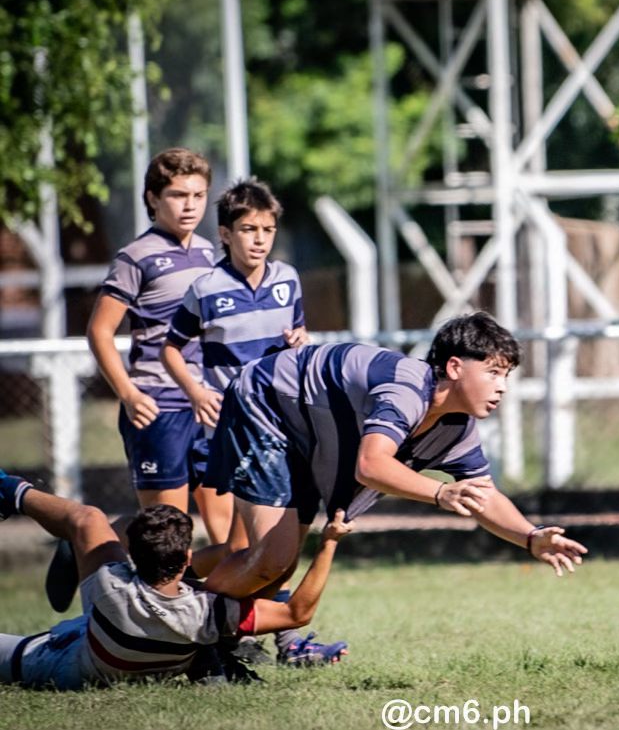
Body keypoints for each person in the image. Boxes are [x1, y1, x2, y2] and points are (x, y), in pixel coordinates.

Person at [203, 311, 588, 604]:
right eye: (493, 373)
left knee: (277, 564)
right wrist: (440, 494)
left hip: (305, 431)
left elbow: (483, 494)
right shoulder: (406, 390)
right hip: (265, 402)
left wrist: (530, 536)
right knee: (272, 559)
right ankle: (181, 620)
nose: (502, 387)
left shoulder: (456, 427)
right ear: (454, 367)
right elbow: (371, 465)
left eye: (506, 376)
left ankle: (193, 618)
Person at [0, 470, 350, 691]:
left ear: (131, 556)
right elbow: (296, 614)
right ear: (187, 558)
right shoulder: (207, 613)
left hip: (74, 658)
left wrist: (83, 542)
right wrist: (328, 543)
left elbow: (83, 520)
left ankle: (8, 488)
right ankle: (215, 668)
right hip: (112, 642)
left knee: (88, 519)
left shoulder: (111, 583)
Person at [161, 176, 310, 665]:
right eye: (248, 229)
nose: (260, 238)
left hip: (279, 427)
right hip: (230, 430)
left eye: (267, 229)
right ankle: (216, 631)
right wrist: (195, 389)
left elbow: (297, 330)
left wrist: (297, 343)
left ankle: (230, 629)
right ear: (225, 234)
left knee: (255, 541)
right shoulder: (206, 290)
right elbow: (170, 350)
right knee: (248, 544)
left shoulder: (287, 278)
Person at [86, 148, 231, 549]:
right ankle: (87, 541)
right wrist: (129, 394)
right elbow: (99, 332)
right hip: (157, 406)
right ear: (153, 198)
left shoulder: (208, 253)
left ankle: (232, 611)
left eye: (198, 195)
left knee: (229, 536)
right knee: (168, 533)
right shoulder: (135, 257)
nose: (190, 205)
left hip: (207, 405)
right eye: (178, 195)